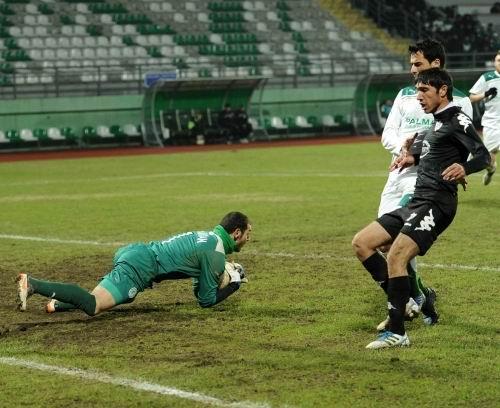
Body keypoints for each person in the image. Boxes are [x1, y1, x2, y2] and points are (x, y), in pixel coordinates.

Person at [352, 68, 490, 349]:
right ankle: (410, 298)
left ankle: (398, 332)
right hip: (418, 200)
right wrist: (410, 157)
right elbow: (432, 154)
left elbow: (484, 155)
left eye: (424, 90)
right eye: (417, 90)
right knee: (362, 243)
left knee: (396, 255)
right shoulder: (434, 124)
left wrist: (464, 167)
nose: (419, 96)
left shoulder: (457, 119)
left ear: (442, 91)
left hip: (437, 203)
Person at [375, 39, 474, 330]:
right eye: (411, 64)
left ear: (436, 64)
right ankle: (419, 295)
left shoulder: (459, 100)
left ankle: (403, 305)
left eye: (417, 64)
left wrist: (424, 153)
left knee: (397, 240)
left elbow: (463, 142)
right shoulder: (404, 95)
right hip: (397, 174)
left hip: (425, 180)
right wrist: (403, 149)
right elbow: (388, 134)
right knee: (384, 244)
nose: (412, 70)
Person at [16, 211, 252, 316]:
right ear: (236, 233)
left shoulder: (208, 238)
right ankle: (32, 284)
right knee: (93, 305)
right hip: (142, 266)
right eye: (248, 233)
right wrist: (234, 284)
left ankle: (57, 305)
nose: (249, 238)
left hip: (137, 253)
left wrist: (218, 276)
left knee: (121, 296)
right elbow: (205, 300)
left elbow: (198, 287)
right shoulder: (215, 253)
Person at [469, 51, 500, 185]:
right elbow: (471, 97)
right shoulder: (487, 78)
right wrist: (485, 94)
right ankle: (491, 169)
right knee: (486, 158)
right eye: (499, 60)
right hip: (492, 123)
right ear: (494, 62)